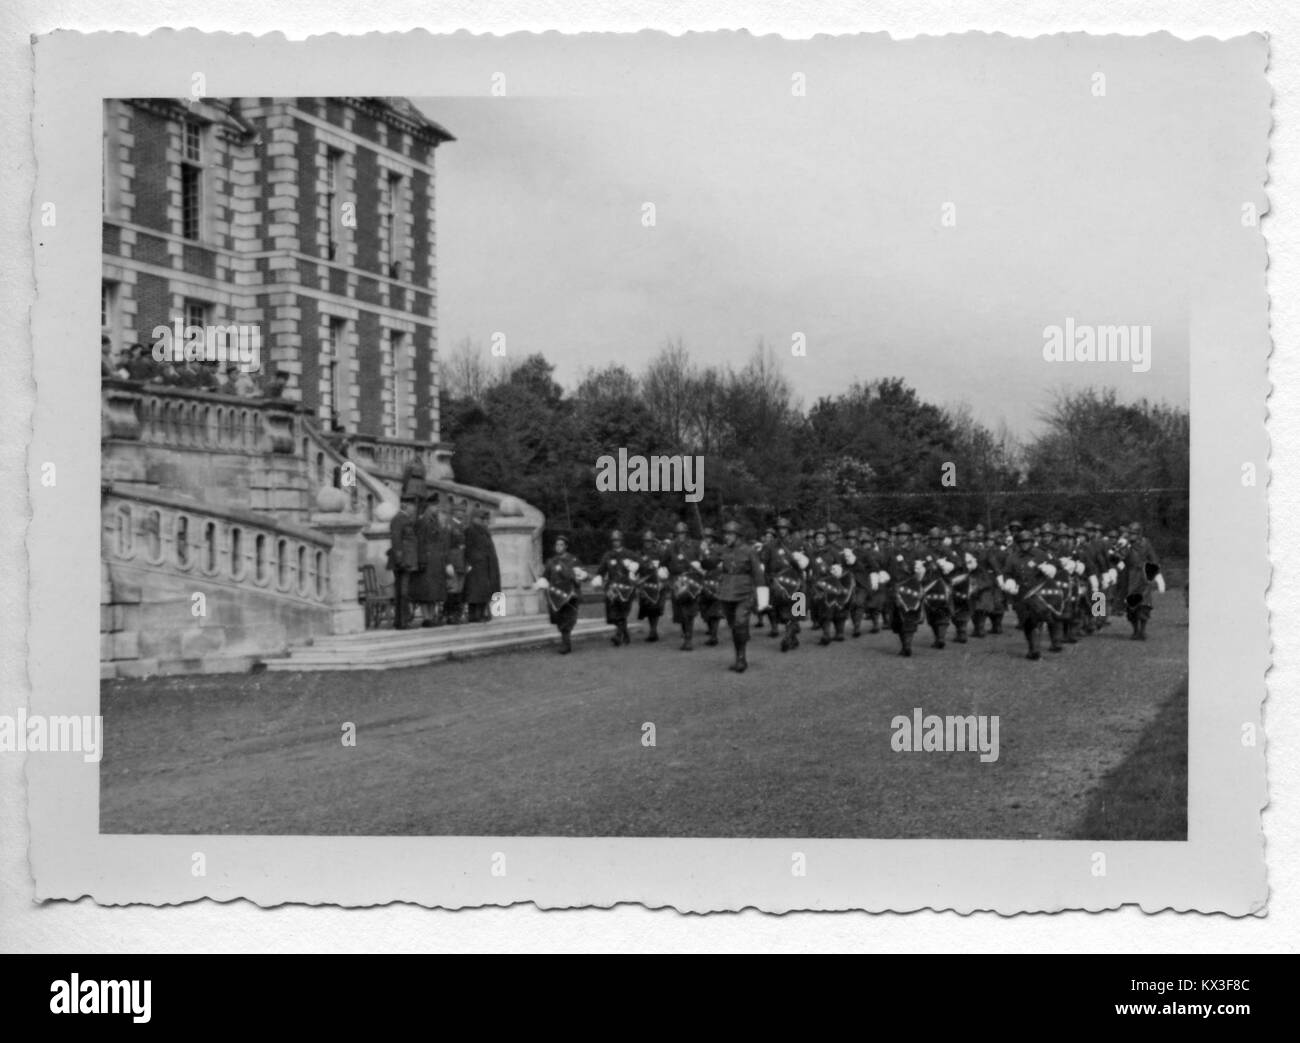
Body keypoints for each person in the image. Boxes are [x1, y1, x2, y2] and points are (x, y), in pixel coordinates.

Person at [704, 520, 768, 673]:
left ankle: (741, 658)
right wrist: (705, 553)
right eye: (725, 534)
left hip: (744, 592)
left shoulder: (749, 550)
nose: (726, 537)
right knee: (734, 626)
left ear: (738, 536)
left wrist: (762, 597)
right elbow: (708, 565)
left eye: (730, 534)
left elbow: (758, 574)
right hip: (726, 592)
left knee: (740, 623)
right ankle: (739, 652)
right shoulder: (722, 550)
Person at [761, 516, 807, 653]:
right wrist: (768, 581)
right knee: (783, 614)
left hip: (797, 581)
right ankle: (792, 636)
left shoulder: (799, 543)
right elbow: (765, 565)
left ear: (789, 529)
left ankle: (787, 638)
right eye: (779, 528)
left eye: (784, 528)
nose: (782, 531)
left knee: (796, 612)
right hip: (778, 583)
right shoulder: (770, 545)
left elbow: (809, 562)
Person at [536, 534, 585, 654]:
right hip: (555, 596)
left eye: (561, 545)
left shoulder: (573, 560)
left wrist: (577, 579)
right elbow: (545, 577)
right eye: (557, 544)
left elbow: (580, 576)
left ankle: (566, 645)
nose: (558, 547)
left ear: (566, 546)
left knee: (568, 620)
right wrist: (541, 583)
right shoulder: (551, 562)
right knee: (559, 620)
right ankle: (565, 642)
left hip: (570, 595)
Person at [665, 521, 705, 650]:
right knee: (680, 612)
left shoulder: (695, 545)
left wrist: (701, 562)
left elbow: (704, 560)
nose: (680, 535)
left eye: (682, 533)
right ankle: (686, 633)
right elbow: (664, 562)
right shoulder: (671, 547)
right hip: (676, 581)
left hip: (691, 580)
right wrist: (664, 570)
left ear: (687, 533)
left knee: (689, 611)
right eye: (678, 533)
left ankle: (688, 639)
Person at [411, 496, 449, 626]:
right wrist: (421, 561)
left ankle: (432, 617)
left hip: (436, 561)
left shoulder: (435, 521)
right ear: (428, 507)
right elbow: (420, 542)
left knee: (434, 592)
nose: (437, 509)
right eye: (434, 506)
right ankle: (426, 618)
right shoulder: (423, 521)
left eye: (437, 506)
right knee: (426, 592)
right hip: (427, 560)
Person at [595, 530, 638, 646]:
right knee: (614, 614)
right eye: (614, 540)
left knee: (623, 612)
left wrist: (634, 567)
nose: (615, 542)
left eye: (617, 540)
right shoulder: (608, 555)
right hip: (612, 589)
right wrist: (598, 577)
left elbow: (640, 567)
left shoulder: (630, 554)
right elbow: (601, 570)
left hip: (627, 589)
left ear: (621, 540)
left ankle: (618, 635)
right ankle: (625, 634)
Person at [463, 508, 501, 622]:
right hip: (476, 565)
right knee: (475, 592)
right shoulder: (470, 530)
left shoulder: (484, 531)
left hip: (486, 565)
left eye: (486, 519)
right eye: (482, 519)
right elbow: (468, 548)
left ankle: (482, 613)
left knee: (484, 591)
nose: (485, 521)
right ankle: (475, 615)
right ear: (475, 519)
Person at [389, 496, 420, 629]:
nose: (414, 508)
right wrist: (400, 559)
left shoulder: (405, 519)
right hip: (402, 561)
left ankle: (401, 620)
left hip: (407, 560)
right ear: (404, 505)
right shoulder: (398, 519)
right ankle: (402, 621)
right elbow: (396, 540)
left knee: (403, 592)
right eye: (412, 505)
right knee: (403, 592)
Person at [635, 529, 669, 643]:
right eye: (646, 541)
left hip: (658, 583)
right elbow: (636, 568)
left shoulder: (660, 552)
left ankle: (653, 631)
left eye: (649, 541)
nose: (647, 543)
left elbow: (666, 565)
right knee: (648, 609)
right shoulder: (640, 553)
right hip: (645, 584)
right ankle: (652, 630)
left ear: (653, 541)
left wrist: (663, 579)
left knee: (656, 608)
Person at [443, 505, 467, 623]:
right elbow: (446, 546)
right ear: (454, 512)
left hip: (462, 561)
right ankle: (450, 615)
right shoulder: (449, 526)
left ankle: (457, 614)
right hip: (453, 561)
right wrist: (448, 563)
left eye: (463, 511)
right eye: (459, 511)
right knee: (453, 588)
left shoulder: (462, 526)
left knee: (459, 589)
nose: (461, 513)